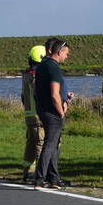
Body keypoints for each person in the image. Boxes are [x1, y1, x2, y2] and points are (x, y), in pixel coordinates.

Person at [33, 38, 72, 189]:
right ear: (60, 52)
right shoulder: (54, 68)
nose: (67, 56)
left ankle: (54, 178)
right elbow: (55, 94)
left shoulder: (42, 65)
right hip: (53, 112)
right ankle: (39, 178)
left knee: (54, 144)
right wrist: (61, 112)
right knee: (50, 144)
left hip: (42, 109)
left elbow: (37, 89)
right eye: (66, 53)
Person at [20, 45, 47, 184]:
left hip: (29, 115)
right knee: (40, 145)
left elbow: (23, 97)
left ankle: (28, 172)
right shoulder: (38, 75)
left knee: (31, 144)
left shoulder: (26, 74)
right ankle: (40, 175)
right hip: (38, 116)